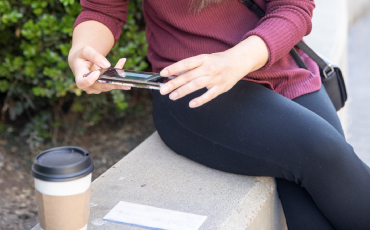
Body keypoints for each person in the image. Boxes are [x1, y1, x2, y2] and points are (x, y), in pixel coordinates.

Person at [68, 0, 370, 229]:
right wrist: (83, 51)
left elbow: (294, 8)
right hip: (194, 89)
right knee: (322, 152)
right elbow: (102, 10)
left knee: (315, 191)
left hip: (282, 70)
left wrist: (233, 62)